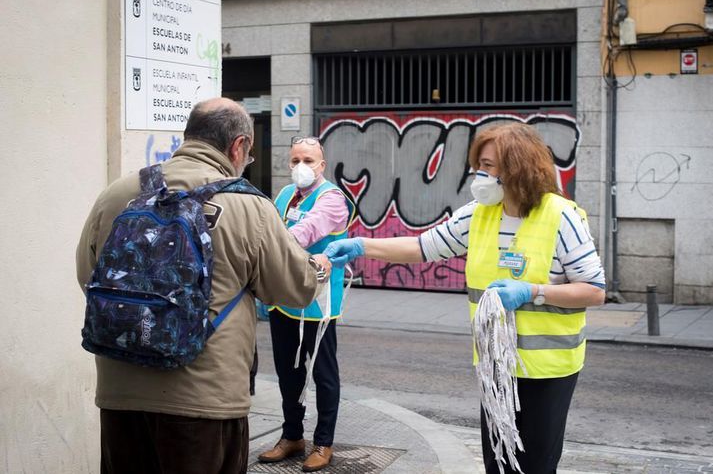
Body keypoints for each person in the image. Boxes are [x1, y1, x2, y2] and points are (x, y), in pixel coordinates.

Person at [324, 122, 606, 474]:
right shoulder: (479, 213)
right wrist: (361, 245)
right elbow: (422, 247)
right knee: (498, 461)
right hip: (496, 368)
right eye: (478, 165)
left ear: (516, 166)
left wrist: (533, 292)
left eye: (488, 166)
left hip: (548, 371)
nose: (479, 174)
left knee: (534, 465)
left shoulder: (560, 216)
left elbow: (594, 290)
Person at [76, 98, 332, 474]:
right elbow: (294, 288)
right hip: (206, 400)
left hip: (120, 394)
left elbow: (87, 273)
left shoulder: (120, 191)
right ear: (238, 146)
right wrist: (318, 269)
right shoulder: (249, 206)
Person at [258, 136, 355, 472]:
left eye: (309, 160)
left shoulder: (332, 199)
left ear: (322, 165)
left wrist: (265, 246)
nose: (301, 166)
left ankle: (324, 442)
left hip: (319, 303)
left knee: (324, 375)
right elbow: (269, 226)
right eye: (296, 159)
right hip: (284, 299)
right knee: (288, 372)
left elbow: (305, 232)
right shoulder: (285, 195)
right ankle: (292, 436)